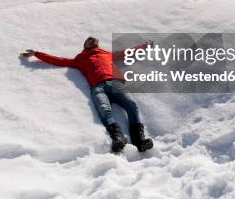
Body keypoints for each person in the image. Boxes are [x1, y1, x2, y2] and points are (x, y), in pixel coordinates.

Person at [21, 37, 154, 154]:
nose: (92, 41)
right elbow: (59, 61)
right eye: (89, 40)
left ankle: (139, 140)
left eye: (95, 40)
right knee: (104, 110)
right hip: (98, 87)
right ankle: (118, 139)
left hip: (115, 83)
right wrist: (37, 54)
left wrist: (144, 46)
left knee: (131, 105)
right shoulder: (80, 59)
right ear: (85, 45)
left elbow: (126, 53)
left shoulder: (106, 53)